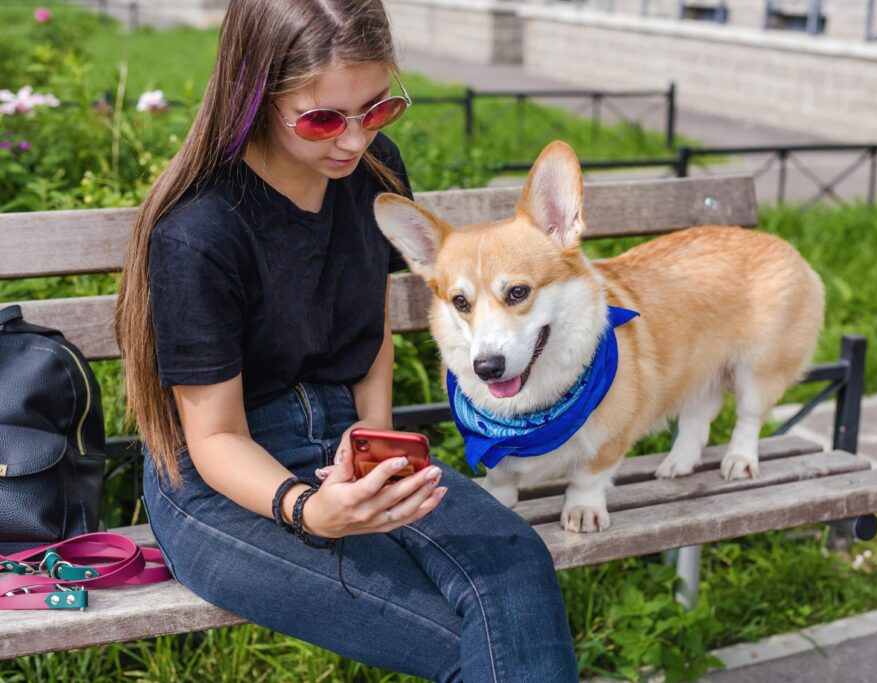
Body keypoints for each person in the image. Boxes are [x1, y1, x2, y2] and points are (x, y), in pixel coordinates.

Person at [113, 1, 578, 680]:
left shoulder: (371, 172)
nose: (354, 141)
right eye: (324, 118)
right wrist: (310, 511)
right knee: (489, 645)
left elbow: (374, 324)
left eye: (377, 110)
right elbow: (214, 438)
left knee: (515, 566)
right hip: (225, 482)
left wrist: (376, 448)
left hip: (344, 439)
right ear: (253, 95)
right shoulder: (201, 233)